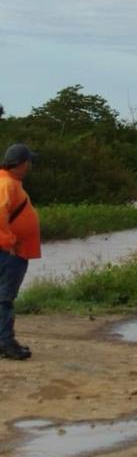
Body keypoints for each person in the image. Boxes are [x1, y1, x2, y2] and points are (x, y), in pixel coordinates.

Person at [0, 144, 40, 361]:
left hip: (10, 252)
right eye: (29, 161)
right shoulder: (7, 183)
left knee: (3, 297)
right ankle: (6, 343)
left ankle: (4, 340)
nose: (30, 165)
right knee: (4, 298)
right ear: (23, 163)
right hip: (9, 253)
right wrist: (9, 241)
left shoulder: (9, 182)